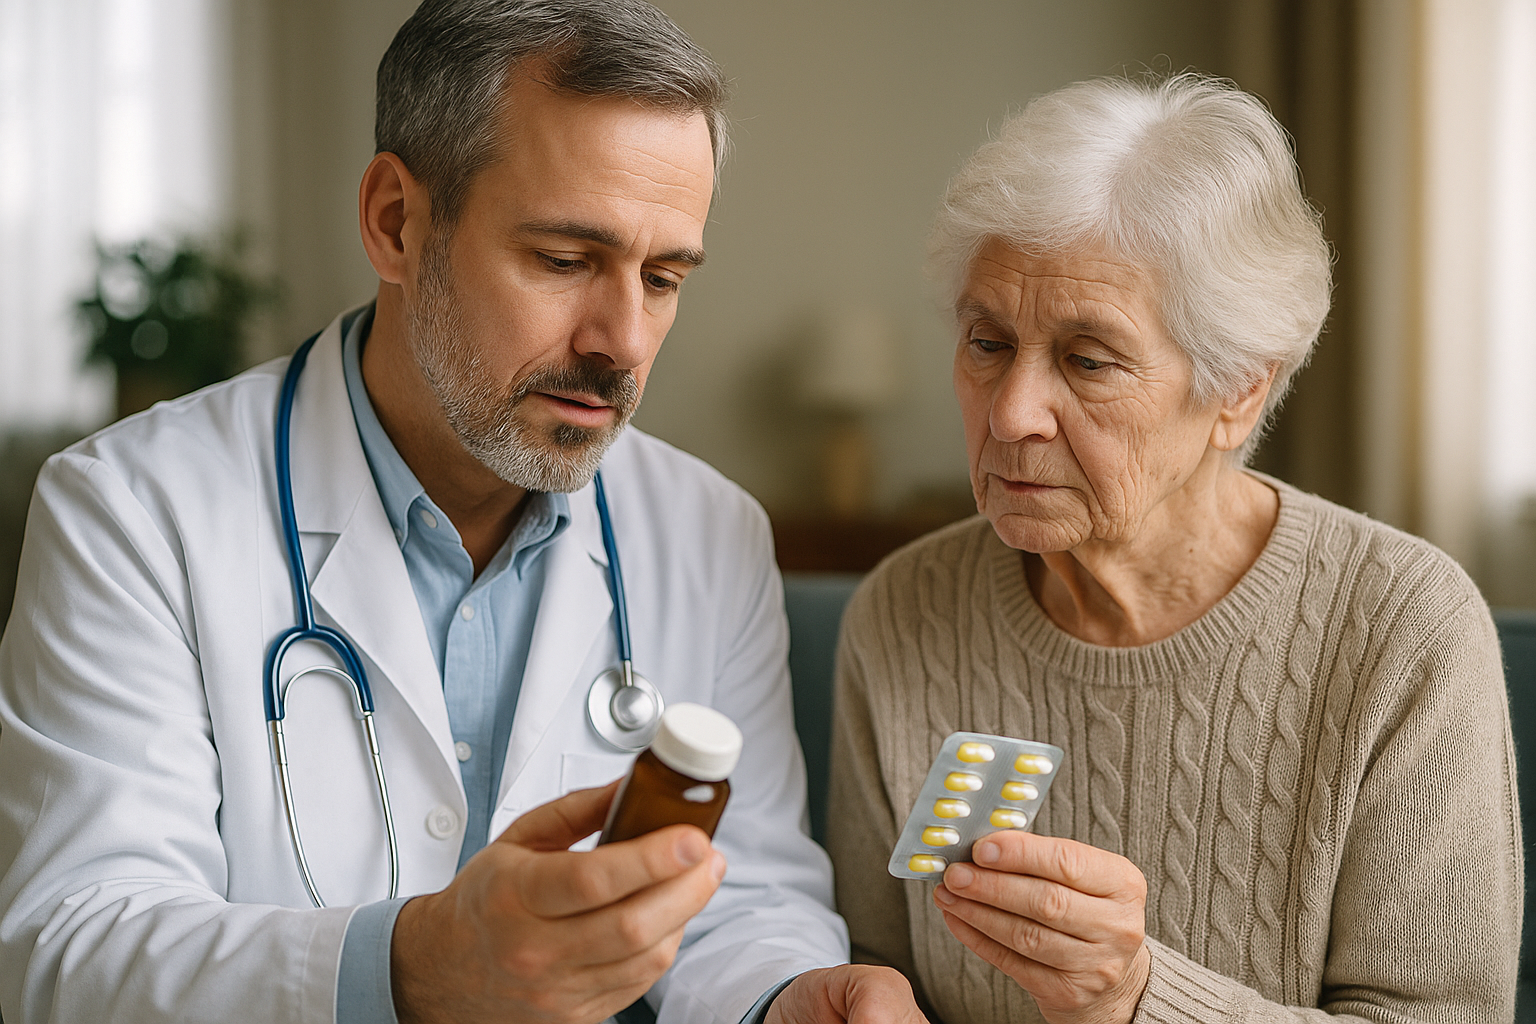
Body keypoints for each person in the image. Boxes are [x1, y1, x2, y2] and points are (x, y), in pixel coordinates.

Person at [0, 3, 927, 1023]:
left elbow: (743, 897)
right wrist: (413, 965)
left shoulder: (713, 533)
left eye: (663, 278)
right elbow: (72, 949)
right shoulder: (132, 511)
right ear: (396, 222)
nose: (623, 341)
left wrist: (788, 994)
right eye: (564, 260)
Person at [827, 73, 1521, 1024]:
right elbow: (870, 961)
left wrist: (1137, 998)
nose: (1013, 413)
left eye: (1088, 360)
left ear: (1238, 390)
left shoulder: (1403, 627)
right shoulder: (904, 608)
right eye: (987, 343)